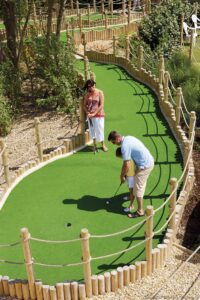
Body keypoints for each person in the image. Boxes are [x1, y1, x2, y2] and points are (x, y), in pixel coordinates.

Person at [108, 131, 154, 218]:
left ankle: (140, 211)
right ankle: (131, 196)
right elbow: (127, 163)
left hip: (145, 165)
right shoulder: (128, 138)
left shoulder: (124, 146)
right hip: (143, 162)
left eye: (113, 142)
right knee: (134, 184)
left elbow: (127, 164)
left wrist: (122, 176)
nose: (114, 144)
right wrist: (125, 174)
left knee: (138, 188)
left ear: (117, 138)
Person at [83, 79, 108, 152]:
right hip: (90, 115)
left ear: (94, 85)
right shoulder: (87, 94)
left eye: (91, 86)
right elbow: (84, 105)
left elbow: (102, 105)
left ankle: (103, 144)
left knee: (100, 129)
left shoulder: (100, 92)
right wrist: (87, 112)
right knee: (92, 130)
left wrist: (94, 113)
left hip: (99, 114)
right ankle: (94, 145)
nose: (90, 88)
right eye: (88, 87)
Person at [116, 147, 135, 213]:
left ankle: (131, 206)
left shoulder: (128, 158)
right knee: (130, 189)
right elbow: (124, 166)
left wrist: (122, 176)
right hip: (129, 174)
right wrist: (124, 175)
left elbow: (127, 167)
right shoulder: (127, 156)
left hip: (132, 175)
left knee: (132, 190)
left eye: (120, 157)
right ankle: (130, 197)